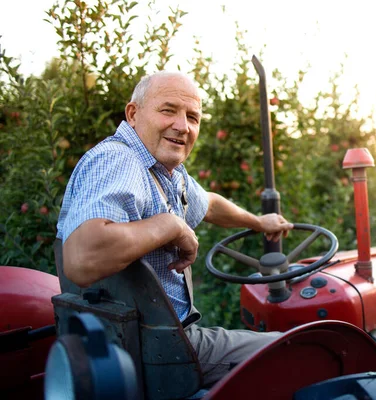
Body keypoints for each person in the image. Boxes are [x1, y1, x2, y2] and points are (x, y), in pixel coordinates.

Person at [56, 71, 291, 386]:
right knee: (309, 348)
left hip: (142, 346)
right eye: (168, 110)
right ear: (133, 114)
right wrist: (170, 226)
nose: (183, 126)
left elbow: (207, 203)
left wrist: (259, 222)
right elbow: (82, 257)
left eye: (192, 117)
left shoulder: (165, 173)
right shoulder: (118, 160)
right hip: (165, 352)